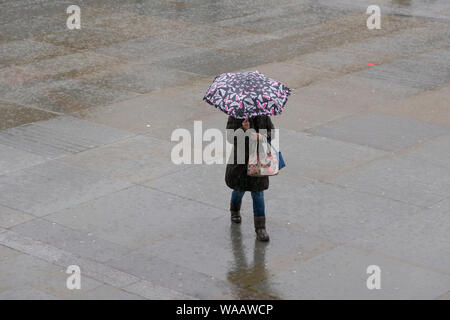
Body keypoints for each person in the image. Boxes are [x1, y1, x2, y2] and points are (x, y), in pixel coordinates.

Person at [225, 115, 275, 242]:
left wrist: (260, 136)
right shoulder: (236, 115)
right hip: (240, 161)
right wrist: (243, 129)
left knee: (258, 193)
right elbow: (231, 138)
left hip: (258, 159)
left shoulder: (263, 115)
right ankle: (235, 210)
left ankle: (260, 228)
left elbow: (271, 133)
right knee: (239, 189)